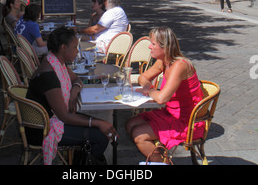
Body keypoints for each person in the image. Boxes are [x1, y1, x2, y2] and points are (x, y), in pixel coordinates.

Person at [26, 26, 117, 165]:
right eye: (75, 47)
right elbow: (65, 116)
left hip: (54, 120)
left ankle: (80, 160)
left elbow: (77, 79)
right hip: (43, 130)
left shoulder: (56, 61)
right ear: (63, 47)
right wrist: (99, 122)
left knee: (100, 129)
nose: (77, 51)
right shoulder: (49, 74)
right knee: (101, 136)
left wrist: (74, 91)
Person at [125, 27, 205, 163]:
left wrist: (149, 91)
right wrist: (149, 87)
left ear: (165, 47)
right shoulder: (163, 61)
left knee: (139, 135)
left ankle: (163, 162)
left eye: (153, 44)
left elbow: (162, 98)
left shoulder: (180, 65)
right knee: (130, 124)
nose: (149, 46)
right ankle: (160, 155)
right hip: (170, 113)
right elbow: (143, 77)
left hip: (187, 122)